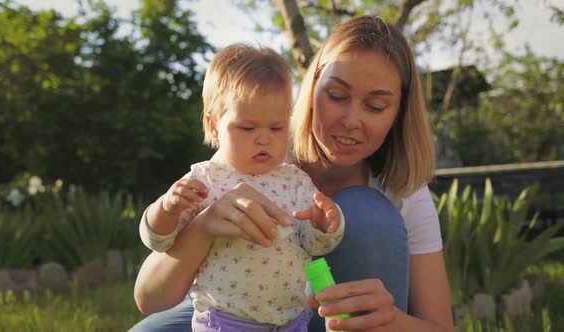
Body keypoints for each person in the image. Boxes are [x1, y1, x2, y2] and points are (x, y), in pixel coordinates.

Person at [131, 15, 454, 332]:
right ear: (312, 87)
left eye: (375, 106)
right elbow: (149, 296)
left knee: (366, 212)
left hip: (318, 317)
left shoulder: (402, 190)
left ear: (398, 112)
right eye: (336, 95)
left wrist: (392, 323)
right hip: (236, 308)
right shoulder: (261, 147)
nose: (350, 119)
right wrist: (203, 227)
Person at [138, 43, 345, 331]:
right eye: (247, 128)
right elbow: (158, 241)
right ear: (213, 126)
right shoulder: (205, 179)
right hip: (226, 320)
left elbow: (312, 245)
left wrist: (324, 226)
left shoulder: (295, 180)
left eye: (276, 128)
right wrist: (166, 208)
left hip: (290, 320)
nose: (263, 139)